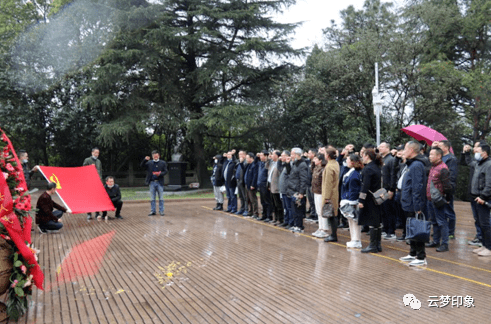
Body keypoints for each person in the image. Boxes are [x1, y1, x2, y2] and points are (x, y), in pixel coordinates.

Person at [399, 142, 428, 266]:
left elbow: (417, 187)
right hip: (408, 202)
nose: (403, 151)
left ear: (411, 150)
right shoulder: (411, 164)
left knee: (417, 228)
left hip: (413, 203)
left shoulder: (416, 165)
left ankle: (421, 256)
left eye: (405, 149)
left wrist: (418, 206)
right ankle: (412, 253)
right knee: (410, 228)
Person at [425, 148, 451, 252]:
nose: (429, 156)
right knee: (434, 221)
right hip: (430, 199)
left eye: (432, 155)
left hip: (438, 200)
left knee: (441, 221)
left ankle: (445, 244)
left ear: (439, 156)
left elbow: (447, 186)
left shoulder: (443, 168)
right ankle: (435, 241)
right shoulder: (433, 166)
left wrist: (447, 198)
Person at [358, 149, 383, 253]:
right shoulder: (376, 167)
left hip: (369, 198)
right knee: (377, 222)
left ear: (367, 156)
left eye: (363, 155)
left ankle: (373, 245)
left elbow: (365, 186)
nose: (362, 157)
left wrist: (361, 200)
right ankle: (377, 245)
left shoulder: (368, 169)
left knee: (372, 222)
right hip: (377, 197)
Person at [461, 141, 485, 246]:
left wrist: (484, 195)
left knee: (483, 218)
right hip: (473, 193)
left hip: (481, 195)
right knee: (477, 218)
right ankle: (479, 237)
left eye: (476, 147)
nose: (473, 149)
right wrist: (464, 153)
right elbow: (463, 162)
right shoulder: (475, 161)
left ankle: (483, 239)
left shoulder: (484, 163)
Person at [470, 144, 491, 257]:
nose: (475, 153)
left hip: (483, 198)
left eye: (477, 151)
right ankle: (483, 245)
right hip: (475, 197)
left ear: (484, 153)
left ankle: (489, 247)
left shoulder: (488, 164)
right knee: (479, 223)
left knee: (485, 224)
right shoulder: (478, 163)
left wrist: (483, 197)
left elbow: (489, 184)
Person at [341, 154, 363, 248]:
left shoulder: (354, 174)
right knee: (351, 221)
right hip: (348, 199)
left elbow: (353, 190)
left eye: (348, 160)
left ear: (352, 162)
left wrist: (351, 202)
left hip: (352, 201)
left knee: (355, 221)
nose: (346, 161)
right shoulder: (351, 171)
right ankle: (353, 239)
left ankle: (357, 240)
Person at [438, 140, 458, 239]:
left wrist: (448, 189)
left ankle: (451, 232)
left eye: (440, 146)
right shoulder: (440, 157)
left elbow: (452, 176)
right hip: (439, 188)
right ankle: (443, 231)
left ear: (446, 147)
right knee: (441, 211)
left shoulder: (451, 159)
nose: (438, 148)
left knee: (449, 210)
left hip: (447, 188)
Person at [287, 148, 309, 233]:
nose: (291, 156)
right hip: (292, 189)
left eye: (292, 154)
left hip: (297, 190)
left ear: (297, 155)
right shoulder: (295, 164)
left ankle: (300, 226)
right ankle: (295, 225)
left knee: (298, 209)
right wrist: (287, 164)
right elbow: (290, 174)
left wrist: (301, 192)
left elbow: (303, 179)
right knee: (294, 209)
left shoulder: (302, 164)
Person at [378, 142, 397, 240]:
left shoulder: (391, 160)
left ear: (388, 148)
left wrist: (391, 189)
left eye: (382, 147)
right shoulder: (382, 159)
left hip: (388, 189)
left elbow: (393, 176)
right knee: (383, 210)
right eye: (379, 147)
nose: (380, 148)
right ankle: (385, 229)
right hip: (381, 189)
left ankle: (391, 231)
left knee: (389, 210)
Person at [141, 150, 168, 216]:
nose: (155, 157)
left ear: (159, 156)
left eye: (156, 155)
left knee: (161, 198)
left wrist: (160, 174)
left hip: (160, 182)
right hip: (152, 182)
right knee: (152, 198)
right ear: (152, 156)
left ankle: (161, 211)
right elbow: (142, 166)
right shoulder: (149, 163)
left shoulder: (163, 163)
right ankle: (153, 211)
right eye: (154, 155)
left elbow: (166, 171)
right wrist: (145, 160)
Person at [322, 148, 340, 242]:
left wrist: (326, 197)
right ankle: (333, 234)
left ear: (328, 155)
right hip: (335, 192)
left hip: (330, 194)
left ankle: (333, 235)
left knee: (331, 215)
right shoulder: (335, 163)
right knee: (334, 214)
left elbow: (328, 183)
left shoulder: (329, 166)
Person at [311, 153, 327, 238]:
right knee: (318, 211)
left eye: (316, 159)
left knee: (322, 211)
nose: (314, 160)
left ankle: (324, 229)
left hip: (321, 192)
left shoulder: (323, 169)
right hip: (315, 191)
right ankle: (320, 228)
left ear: (320, 160)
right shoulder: (316, 168)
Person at [83, 148, 103, 220]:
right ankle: (89, 214)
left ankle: (97, 213)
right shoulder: (87, 160)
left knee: (97, 198)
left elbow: (100, 171)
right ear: (92, 153)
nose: (96, 154)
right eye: (95, 153)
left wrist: (100, 180)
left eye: (98, 153)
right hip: (89, 182)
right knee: (89, 198)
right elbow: (83, 169)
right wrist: (89, 167)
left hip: (97, 181)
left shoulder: (98, 161)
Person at [268, 151, 284, 225]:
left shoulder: (279, 164)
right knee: (273, 204)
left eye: (273, 154)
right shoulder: (272, 163)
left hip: (277, 187)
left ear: (277, 156)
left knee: (278, 204)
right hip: (271, 186)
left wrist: (280, 160)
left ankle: (280, 219)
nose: (271, 156)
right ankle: (276, 218)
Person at [257, 150, 272, 221]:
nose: (260, 157)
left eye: (261, 155)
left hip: (265, 185)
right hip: (260, 184)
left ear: (266, 156)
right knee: (262, 201)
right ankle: (264, 215)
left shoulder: (268, 163)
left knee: (267, 201)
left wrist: (268, 159)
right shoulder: (261, 163)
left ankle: (269, 216)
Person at [279, 151, 292, 227]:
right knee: (285, 208)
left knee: (289, 207)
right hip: (283, 190)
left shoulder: (289, 165)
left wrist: (287, 162)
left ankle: (290, 222)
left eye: (282, 156)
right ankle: (286, 221)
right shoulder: (283, 165)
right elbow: (278, 168)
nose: (281, 157)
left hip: (287, 190)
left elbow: (289, 172)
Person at [244, 152, 259, 218]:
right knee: (248, 199)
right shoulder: (248, 165)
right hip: (247, 185)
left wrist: (253, 185)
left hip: (251, 186)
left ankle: (255, 213)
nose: (246, 159)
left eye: (247, 158)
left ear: (251, 158)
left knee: (253, 200)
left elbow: (255, 176)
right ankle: (250, 211)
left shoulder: (254, 165)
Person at [306, 148, 318, 221]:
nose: (308, 154)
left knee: (314, 200)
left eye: (309, 153)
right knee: (310, 200)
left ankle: (316, 215)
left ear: (313, 154)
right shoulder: (309, 162)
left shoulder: (315, 163)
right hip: (308, 184)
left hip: (313, 184)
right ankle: (312, 213)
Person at [235, 150, 248, 215]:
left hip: (243, 182)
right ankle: (242, 208)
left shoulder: (245, 162)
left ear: (245, 155)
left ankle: (246, 209)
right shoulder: (239, 162)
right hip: (238, 181)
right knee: (240, 196)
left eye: (241, 154)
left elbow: (244, 170)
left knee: (245, 196)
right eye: (239, 154)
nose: (240, 156)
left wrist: (241, 162)